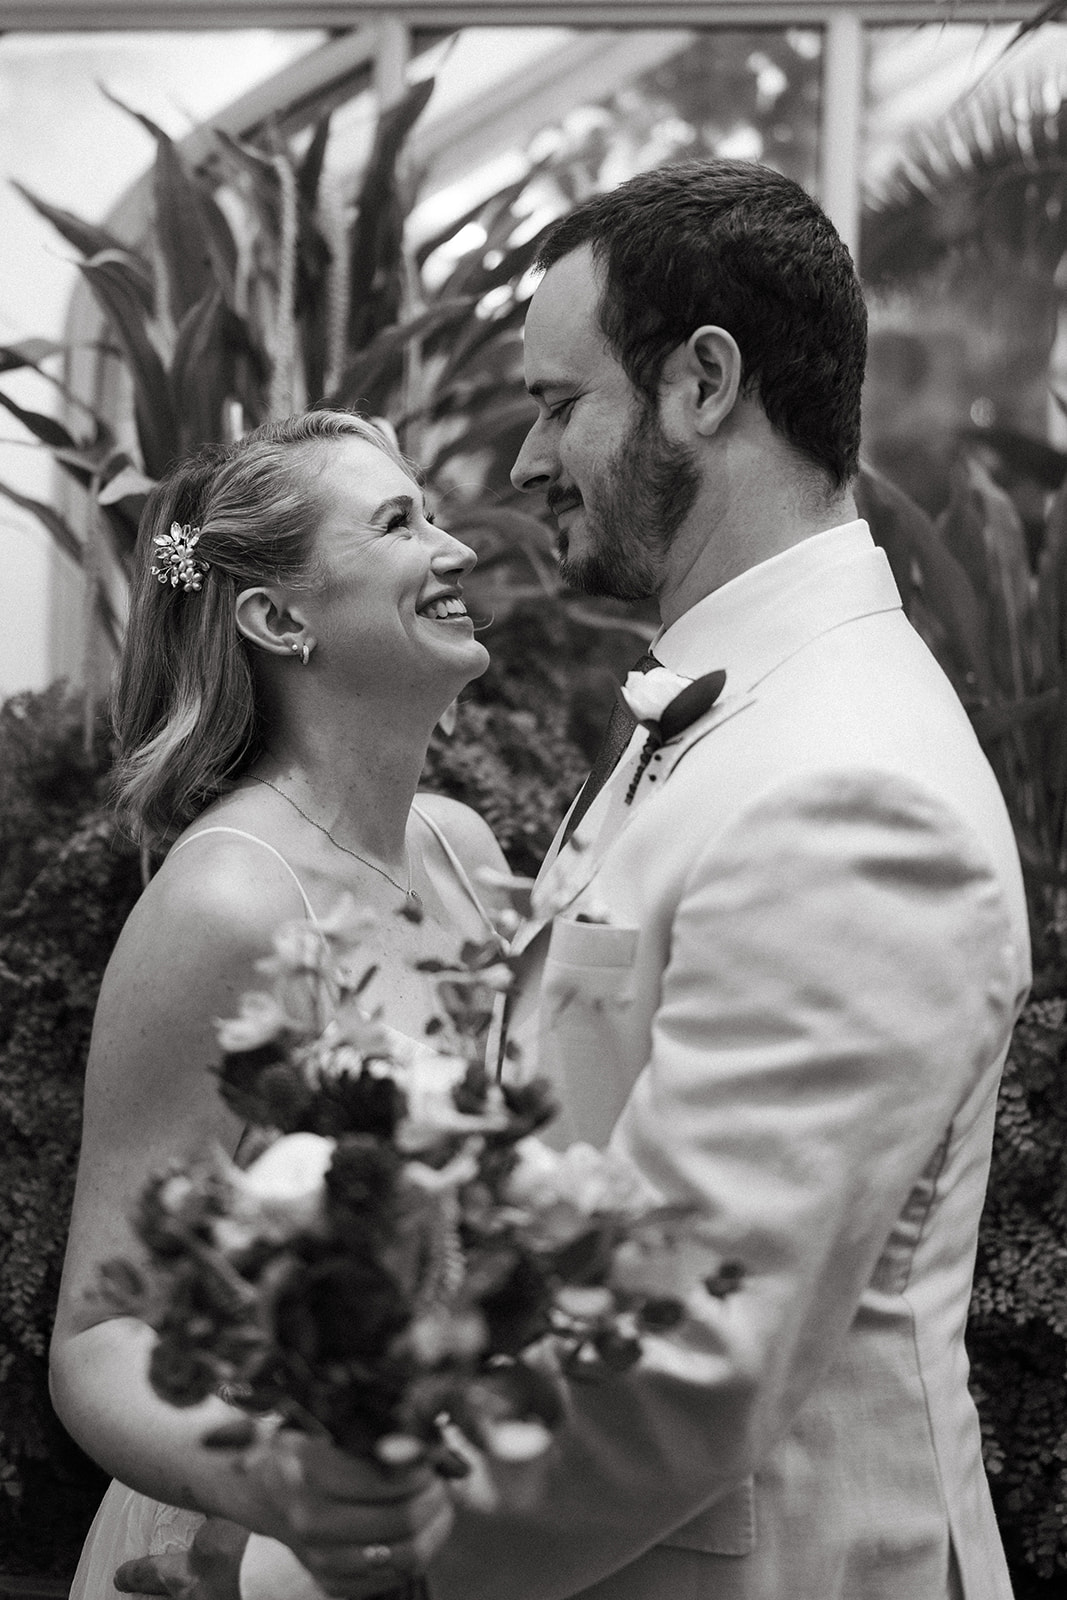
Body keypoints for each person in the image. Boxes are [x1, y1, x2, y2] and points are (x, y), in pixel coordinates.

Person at [121, 158, 1031, 1600]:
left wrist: (300, 1558)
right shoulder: (721, 709)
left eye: (556, 403)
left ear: (701, 384)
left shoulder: (840, 783)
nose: (522, 468)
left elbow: (680, 1368)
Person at [49, 408, 514, 1599]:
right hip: (248, 1551)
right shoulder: (225, 906)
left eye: (435, 510)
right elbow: (100, 1339)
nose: (454, 547)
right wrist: (284, 1481)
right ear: (275, 617)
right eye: (402, 522)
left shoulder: (464, 851)